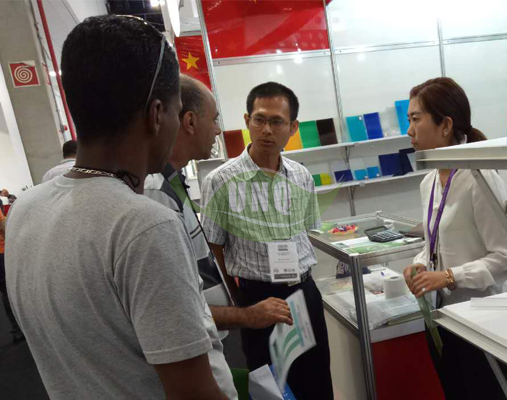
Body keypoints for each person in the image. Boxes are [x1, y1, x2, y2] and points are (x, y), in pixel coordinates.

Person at [5, 15, 230, 400]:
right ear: (156, 115)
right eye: (176, 111)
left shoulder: (26, 208)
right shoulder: (144, 225)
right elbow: (194, 393)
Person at [144, 75, 293, 372]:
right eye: (213, 120)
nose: (217, 130)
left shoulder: (173, 182)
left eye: (277, 122)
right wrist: (246, 314)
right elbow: (170, 306)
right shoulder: (156, 191)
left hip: (220, 326)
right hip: (205, 338)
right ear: (189, 121)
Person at [200, 82, 334, 399]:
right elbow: (214, 248)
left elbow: (305, 232)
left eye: (277, 121)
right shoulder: (220, 180)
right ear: (247, 120)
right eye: (259, 119)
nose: (267, 130)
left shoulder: (301, 176)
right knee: (270, 387)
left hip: (303, 292)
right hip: (257, 296)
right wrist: (238, 299)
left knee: (316, 381)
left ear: (293, 127)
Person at [403, 77, 507, 400]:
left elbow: (504, 255)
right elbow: (433, 242)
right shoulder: (430, 181)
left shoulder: (480, 177)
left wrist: (449, 276)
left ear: (445, 125)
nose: (409, 130)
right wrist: (420, 264)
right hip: (444, 317)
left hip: (482, 322)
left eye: (416, 119)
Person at [0, 203, 24, 343]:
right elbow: (4, 227)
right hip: (2, 253)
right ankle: (19, 328)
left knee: (5, 291)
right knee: (10, 290)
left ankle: (17, 329)